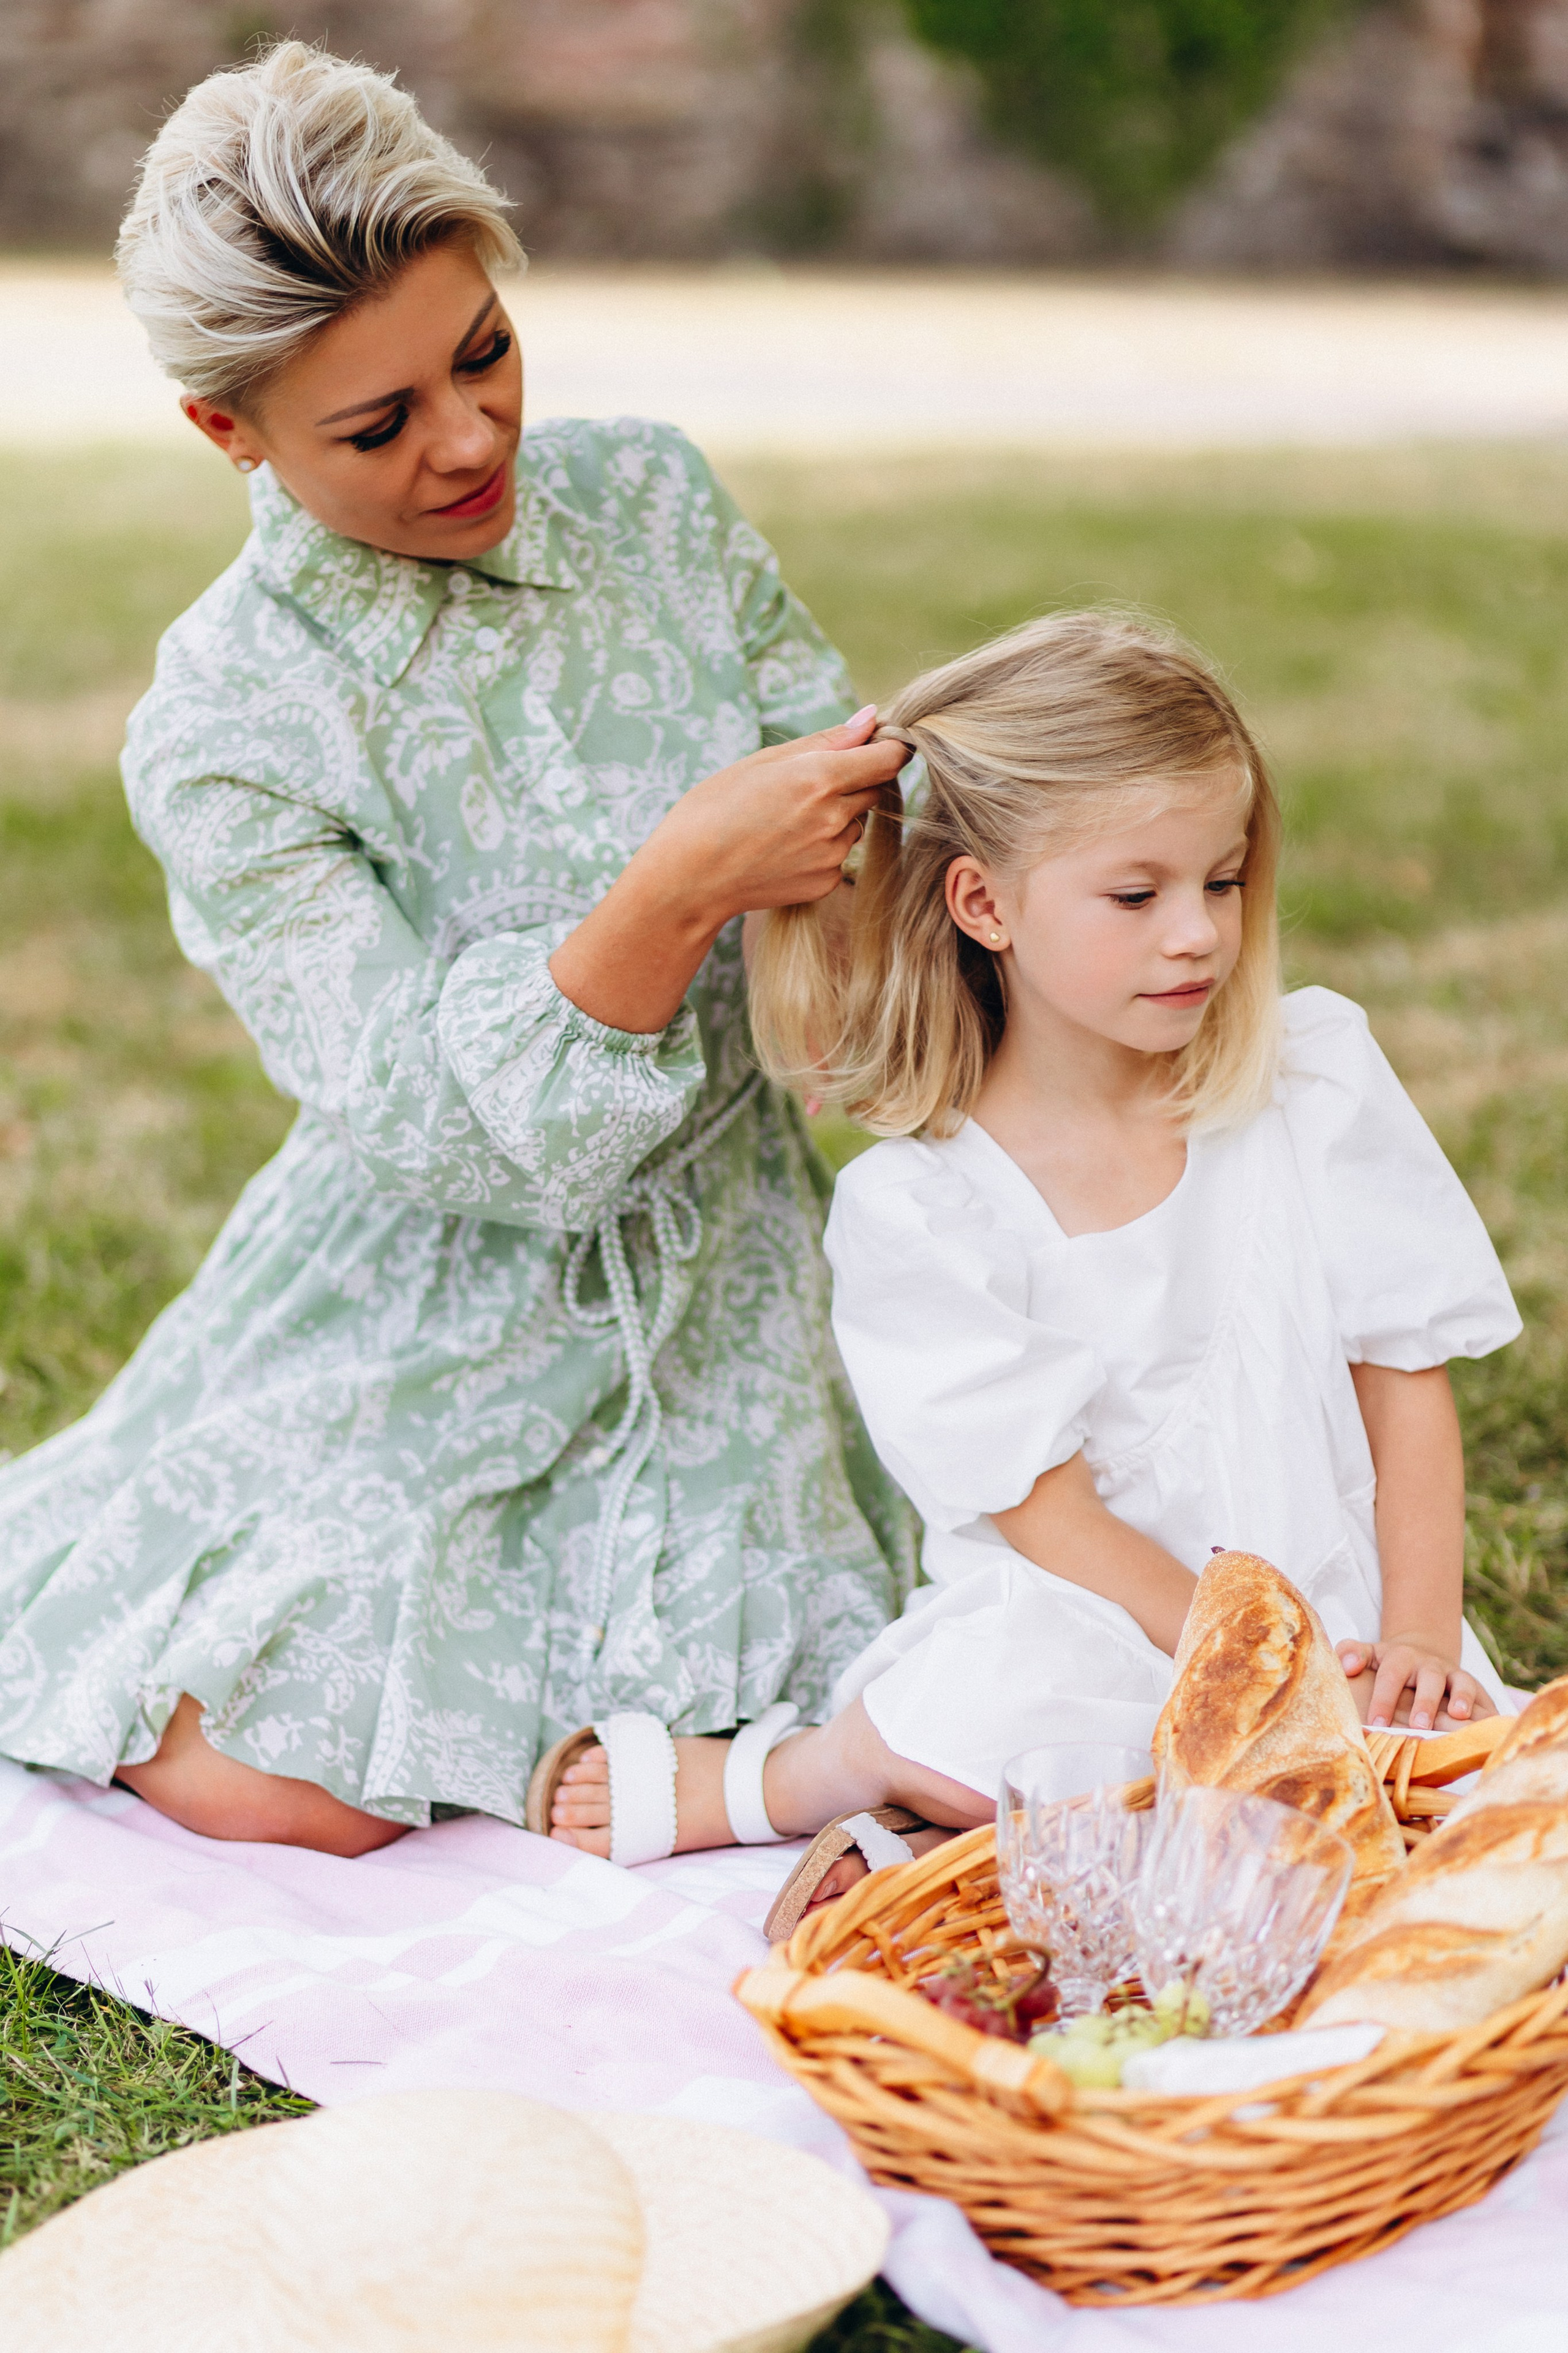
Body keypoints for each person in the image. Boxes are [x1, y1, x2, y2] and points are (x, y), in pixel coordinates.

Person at [0, 42, 917, 1855]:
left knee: (807, 1687)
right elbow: (426, 1120)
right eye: (376, 423)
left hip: (732, 1244)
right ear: (226, 432)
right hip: (423, 1277)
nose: (471, 438)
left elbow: (858, 837)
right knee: (291, 1772)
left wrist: (879, 872)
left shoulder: (651, 499)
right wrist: (668, 893)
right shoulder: (227, 721)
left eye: (483, 353)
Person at [543, 608, 1521, 1926]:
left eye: (1220, 882)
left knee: (1487, 1798)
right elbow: (1051, 1522)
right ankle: (800, 1776)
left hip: (1329, 1608)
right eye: (1137, 894)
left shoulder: (1308, 1084)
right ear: (982, 903)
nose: (1196, 935)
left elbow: (1403, 1378)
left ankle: (950, 1846)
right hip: (1101, 1628)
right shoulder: (925, 1209)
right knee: (997, 1723)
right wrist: (1258, 1676)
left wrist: (1408, 1638)